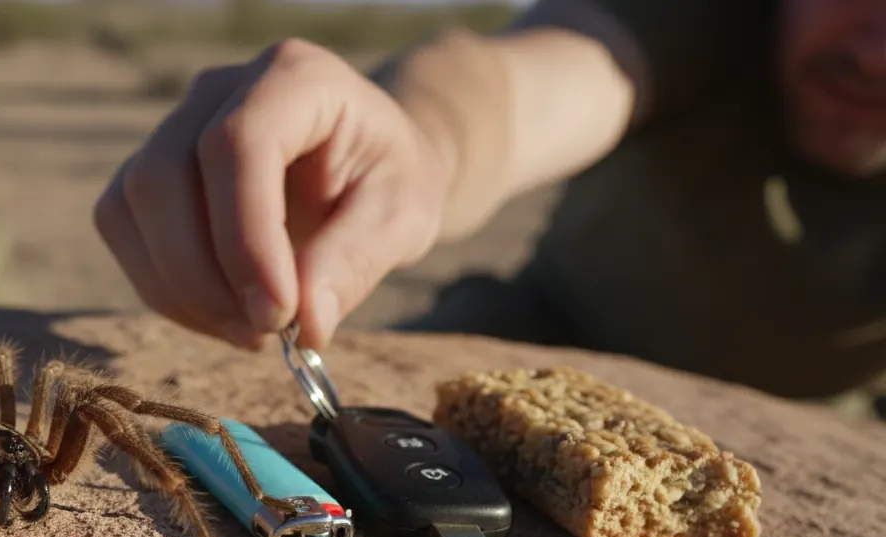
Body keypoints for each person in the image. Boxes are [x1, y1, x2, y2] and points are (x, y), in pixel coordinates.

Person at [91, 0, 886, 417]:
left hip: (820, 418)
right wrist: (411, 137)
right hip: (542, 332)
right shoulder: (705, 19)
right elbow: (519, 87)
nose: (876, 52)